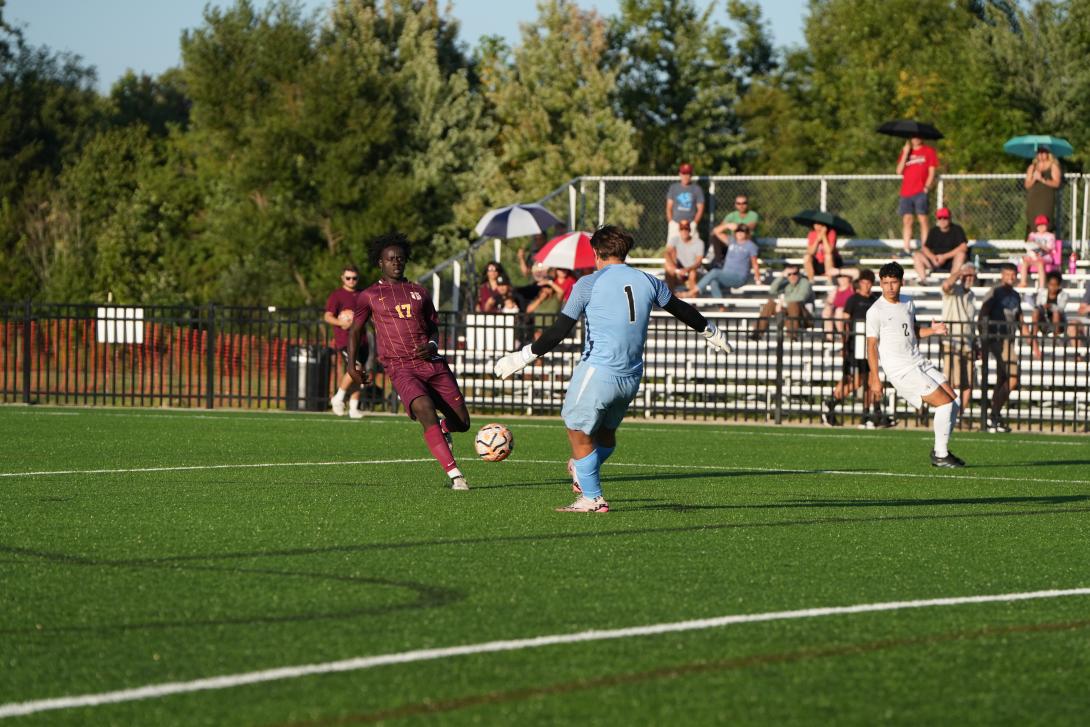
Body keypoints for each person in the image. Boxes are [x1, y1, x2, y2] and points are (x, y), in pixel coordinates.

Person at [492, 225, 733, 513]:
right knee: (605, 435)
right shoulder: (648, 280)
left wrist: (520, 358)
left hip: (599, 371)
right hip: (631, 376)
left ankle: (591, 497)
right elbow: (680, 308)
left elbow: (559, 330)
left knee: (577, 431)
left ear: (596, 253)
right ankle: (584, 470)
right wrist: (710, 331)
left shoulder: (588, 284)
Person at [347, 233, 472, 491]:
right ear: (380, 263)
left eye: (400, 259)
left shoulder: (419, 292)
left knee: (463, 423)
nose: (396, 263)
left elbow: (434, 328)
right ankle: (456, 475)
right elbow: (356, 331)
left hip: (433, 365)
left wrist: (433, 344)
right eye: (390, 259)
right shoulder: (369, 295)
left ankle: (445, 428)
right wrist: (352, 365)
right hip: (400, 366)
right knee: (424, 408)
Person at [866, 262, 964, 467]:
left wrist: (933, 331)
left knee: (954, 402)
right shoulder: (875, 311)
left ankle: (940, 450)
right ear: (880, 284)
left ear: (901, 282)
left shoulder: (908, 302)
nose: (889, 287)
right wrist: (875, 377)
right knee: (944, 404)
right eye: (885, 283)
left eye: (893, 282)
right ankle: (940, 454)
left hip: (918, 361)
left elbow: (912, 331)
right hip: (901, 369)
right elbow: (872, 345)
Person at [821, 270, 889, 428]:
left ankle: (868, 413)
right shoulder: (853, 299)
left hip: (870, 346)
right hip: (854, 346)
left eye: (869, 282)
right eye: (864, 282)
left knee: (870, 379)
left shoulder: (875, 300)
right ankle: (832, 402)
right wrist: (844, 344)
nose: (867, 285)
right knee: (855, 380)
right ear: (860, 283)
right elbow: (845, 323)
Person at [977, 262, 1023, 433]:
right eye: (1007, 274)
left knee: (1003, 379)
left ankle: (994, 417)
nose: (1010, 277)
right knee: (1012, 377)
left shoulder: (1016, 295)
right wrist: (983, 338)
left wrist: (1033, 343)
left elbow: (1020, 318)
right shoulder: (995, 292)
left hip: (1009, 339)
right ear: (1002, 275)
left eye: (1013, 274)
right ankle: (993, 414)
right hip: (997, 338)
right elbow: (983, 313)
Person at [324, 265, 364, 418]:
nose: (351, 281)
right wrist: (342, 323)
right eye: (348, 278)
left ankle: (353, 408)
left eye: (354, 278)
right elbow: (327, 316)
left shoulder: (362, 294)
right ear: (342, 278)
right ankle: (338, 397)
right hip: (345, 340)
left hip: (362, 339)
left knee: (359, 373)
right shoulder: (337, 295)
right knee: (355, 367)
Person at [940, 261, 978, 413]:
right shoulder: (953, 290)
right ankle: (950, 413)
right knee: (952, 381)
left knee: (968, 382)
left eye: (972, 276)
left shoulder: (972, 295)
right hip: (952, 341)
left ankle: (959, 415)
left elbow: (971, 322)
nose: (969, 278)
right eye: (966, 275)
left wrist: (976, 343)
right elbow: (946, 286)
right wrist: (959, 273)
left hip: (967, 342)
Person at [896, 136, 939, 254]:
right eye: (913, 137)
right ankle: (906, 248)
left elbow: (932, 171)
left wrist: (926, 187)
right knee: (907, 220)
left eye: (917, 136)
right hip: (906, 192)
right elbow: (899, 171)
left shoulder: (928, 151)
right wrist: (905, 152)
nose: (915, 139)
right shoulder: (907, 152)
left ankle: (925, 247)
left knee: (923, 219)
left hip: (920, 191)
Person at [750, 264, 814, 340]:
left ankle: (793, 335)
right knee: (770, 304)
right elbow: (772, 290)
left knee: (793, 304)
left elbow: (801, 297)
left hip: (804, 317)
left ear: (799, 274)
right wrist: (781, 276)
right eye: (789, 274)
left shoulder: (805, 282)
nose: (792, 276)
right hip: (789, 315)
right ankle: (758, 332)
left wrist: (782, 302)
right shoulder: (787, 283)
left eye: (795, 273)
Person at [696, 224, 760, 299]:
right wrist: (727, 226)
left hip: (739, 277)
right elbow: (716, 232)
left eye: (743, 231)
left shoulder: (751, 246)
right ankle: (721, 307)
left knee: (715, 272)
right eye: (738, 231)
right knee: (714, 282)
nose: (739, 233)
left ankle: (693, 291)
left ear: (747, 233)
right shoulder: (732, 241)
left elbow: (754, 263)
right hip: (726, 275)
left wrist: (758, 278)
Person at [912, 207, 969, 283]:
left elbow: (963, 247)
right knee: (917, 255)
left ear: (950, 218)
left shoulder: (957, 229)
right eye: (939, 218)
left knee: (961, 255)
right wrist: (933, 258)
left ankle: (950, 282)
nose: (942, 220)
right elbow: (925, 248)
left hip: (951, 262)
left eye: (945, 218)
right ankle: (923, 280)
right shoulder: (933, 231)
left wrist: (944, 257)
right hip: (935, 262)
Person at [1030, 271, 1069, 360]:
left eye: (1055, 285)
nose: (1053, 287)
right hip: (1044, 321)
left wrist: (1050, 306)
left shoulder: (1064, 295)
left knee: (1055, 313)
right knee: (1035, 312)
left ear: (1059, 285)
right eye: (1051, 284)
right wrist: (1043, 307)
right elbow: (1038, 306)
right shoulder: (1042, 293)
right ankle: (1034, 339)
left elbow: (1061, 308)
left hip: (1058, 322)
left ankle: (1055, 340)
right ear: (1048, 284)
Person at [1024, 146, 1061, 233]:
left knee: (1045, 221)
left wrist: (1042, 179)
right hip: (1033, 199)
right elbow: (1027, 185)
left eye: (1043, 152)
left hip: (1046, 199)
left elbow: (1056, 183)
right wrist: (1034, 179)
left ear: (1048, 154)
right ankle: (1032, 243)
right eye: (1039, 152)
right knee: (1032, 221)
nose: (1040, 155)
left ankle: (1047, 244)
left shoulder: (1053, 166)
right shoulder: (1032, 167)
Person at [665, 163, 704, 244]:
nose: (685, 176)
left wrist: (695, 223)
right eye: (683, 174)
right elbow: (669, 207)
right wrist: (671, 222)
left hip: (690, 224)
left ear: (691, 175)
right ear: (680, 174)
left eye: (688, 174)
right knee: (671, 248)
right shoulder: (674, 188)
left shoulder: (696, 189)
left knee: (694, 246)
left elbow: (700, 209)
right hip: (675, 224)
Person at [664, 219, 704, 297]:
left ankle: (693, 304)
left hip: (692, 272)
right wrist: (675, 268)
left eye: (686, 228)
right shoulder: (675, 239)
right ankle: (671, 300)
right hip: (679, 272)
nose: (684, 231)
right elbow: (667, 253)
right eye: (682, 229)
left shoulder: (699, 242)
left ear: (690, 230)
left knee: (693, 273)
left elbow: (698, 262)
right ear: (679, 230)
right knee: (668, 269)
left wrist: (687, 269)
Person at [1020, 214, 1057, 289]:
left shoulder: (1050, 236)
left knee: (1040, 264)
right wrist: (1029, 242)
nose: (1041, 227)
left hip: (1045, 256)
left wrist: (1039, 244)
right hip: (1033, 255)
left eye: (1043, 225)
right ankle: (1023, 282)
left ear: (1047, 225)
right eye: (1039, 225)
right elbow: (1028, 245)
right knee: (1025, 262)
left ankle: (1042, 286)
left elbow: (1048, 249)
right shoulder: (1033, 235)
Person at [821, 274, 854, 342]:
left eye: (844, 276)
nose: (841, 278)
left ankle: (843, 336)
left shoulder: (852, 288)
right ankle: (829, 337)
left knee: (839, 311)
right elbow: (829, 301)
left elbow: (856, 273)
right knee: (826, 311)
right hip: (836, 313)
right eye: (839, 277)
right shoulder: (835, 290)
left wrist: (839, 271)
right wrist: (828, 306)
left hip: (849, 313)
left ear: (849, 278)